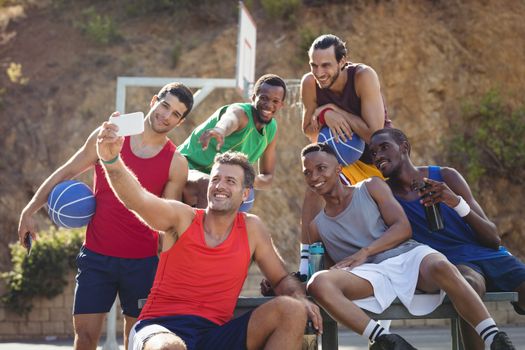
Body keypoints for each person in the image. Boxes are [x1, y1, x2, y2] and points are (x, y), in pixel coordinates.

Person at [95, 119, 322, 350]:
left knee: (292, 310)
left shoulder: (252, 229)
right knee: (171, 348)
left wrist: (300, 297)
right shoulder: (183, 218)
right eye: (215, 179)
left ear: (245, 194)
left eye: (230, 181)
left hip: (214, 334)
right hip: (160, 328)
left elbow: (281, 279)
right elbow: (139, 200)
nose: (220, 186)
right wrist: (112, 162)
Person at [17, 82, 194, 350]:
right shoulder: (111, 134)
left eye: (176, 114)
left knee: (135, 341)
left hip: (142, 263)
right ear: (153, 101)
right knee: (85, 339)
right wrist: (29, 210)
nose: (166, 116)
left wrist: (167, 271)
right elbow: (65, 172)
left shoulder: (176, 163)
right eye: (165, 105)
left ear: (180, 122)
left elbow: (167, 222)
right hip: (97, 257)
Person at [301, 142, 516, 350]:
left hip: (405, 256)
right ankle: (387, 341)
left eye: (321, 168)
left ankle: (495, 338)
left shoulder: (370, 187)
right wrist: (296, 281)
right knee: (318, 283)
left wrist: (365, 252)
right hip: (368, 276)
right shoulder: (317, 227)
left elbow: (403, 228)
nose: (315, 177)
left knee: (441, 266)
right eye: (308, 172)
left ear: (338, 168)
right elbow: (330, 271)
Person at [370, 127, 525, 349]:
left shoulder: (445, 176)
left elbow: (493, 239)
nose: (379, 156)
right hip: (450, 263)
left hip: (487, 254)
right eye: (373, 153)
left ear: (404, 147)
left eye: (384, 147)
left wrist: (455, 202)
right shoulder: (383, 195)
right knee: (469, 285)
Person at [298, 34, 392, 279]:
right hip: (342, 158)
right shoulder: (309, 83)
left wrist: (332, 110)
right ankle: (306, 262)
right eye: (314, 65)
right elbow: (309, 131)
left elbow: (375, 135)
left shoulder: (363, 76)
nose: (319, 72)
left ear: (342, 62)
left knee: (391, 218)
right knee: (314, 187)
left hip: (380, 159)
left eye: (326, 65)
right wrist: (321, 117)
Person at [178, 74, 286, 209]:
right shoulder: (241, 113)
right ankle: (203, 229)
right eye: (263, 98)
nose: (269, 105)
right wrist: (219, 130)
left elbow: (268, 178)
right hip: (184, 167)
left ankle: (223, 228)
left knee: (246, 194)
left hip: (216, 179)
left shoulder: (271, 130)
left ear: (281, 105)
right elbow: (230, 120)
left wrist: (246, 180)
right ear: (253, 97)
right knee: (208, 184)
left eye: (275, 101)